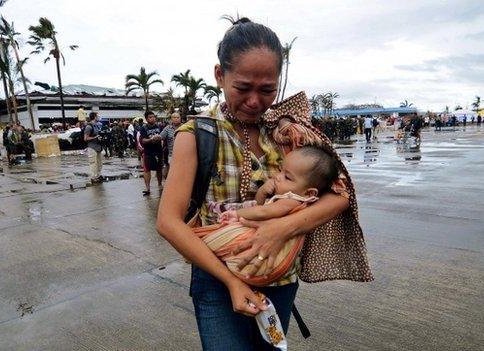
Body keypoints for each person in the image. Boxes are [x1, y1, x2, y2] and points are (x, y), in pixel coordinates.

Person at [156, 17, 371, 350]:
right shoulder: (195, 136)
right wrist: (230, 281)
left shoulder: (290, 133)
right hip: (216, 279)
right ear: (219, 75)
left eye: (267, 89)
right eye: (243, 87)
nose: (255, 101)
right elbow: (168, 222)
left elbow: (340, 196)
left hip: (280, 278)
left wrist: (280, 229)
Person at [196, 145, 339, 286]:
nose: (277, 177)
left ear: (309, 193)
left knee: (205, 240)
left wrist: (235, 214)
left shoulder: (292, 201)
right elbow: (261, 206)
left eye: (287, 177)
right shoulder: (289, 196)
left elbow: (262, 212)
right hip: (264, 257)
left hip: (261, 260)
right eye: (280, 170)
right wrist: (262, 192)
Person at [139, 111, 163, 195]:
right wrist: (151, 139)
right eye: (150, 117)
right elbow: (143, 140)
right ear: (146, 119)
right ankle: (147, 188)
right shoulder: (143, 128)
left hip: (158, 151)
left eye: (153, 117)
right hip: (148, 152)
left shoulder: (159, 126)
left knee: (159, 169)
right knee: (147, 170)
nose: (152, 118)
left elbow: (163, 136)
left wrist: (160, 138)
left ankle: (160, 185)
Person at [84, 112, 103, 183]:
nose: (99, 117)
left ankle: (98, 176)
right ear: (94, 117)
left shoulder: (96, 126)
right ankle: (93, 177)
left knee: (99, 163)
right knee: (93, 163)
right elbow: (85, 138)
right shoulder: (89, 127)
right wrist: (95, 137)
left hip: (98, 147)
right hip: (92, 147)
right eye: (98, 116)